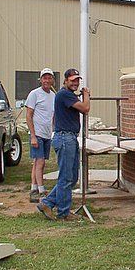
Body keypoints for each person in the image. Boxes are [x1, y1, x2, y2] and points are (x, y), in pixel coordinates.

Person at [37, 68, 90, 222]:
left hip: (70, 138)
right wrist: (86, 95)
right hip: (65, 138)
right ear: (65, 81)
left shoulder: (68, 95)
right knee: (66, 178)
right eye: (72, 80)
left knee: (72, 177)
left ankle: (47, 203)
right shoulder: (64, 94)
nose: (76, 83)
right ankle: (64, 213)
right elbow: (85, 108)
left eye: (77, 80)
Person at [24, 68, 56, 202]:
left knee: (38, 162)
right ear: (41, 80)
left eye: (49, 78)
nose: (47, 80)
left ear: (52, 80)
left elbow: (53, 116)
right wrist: (32, 135)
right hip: (37, 134)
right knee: (40, 162)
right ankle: (42, 190)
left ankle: (33, 188)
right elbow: (29, 115)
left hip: (47, 134)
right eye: (44, 78)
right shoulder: (34, 94)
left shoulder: (53, 95)